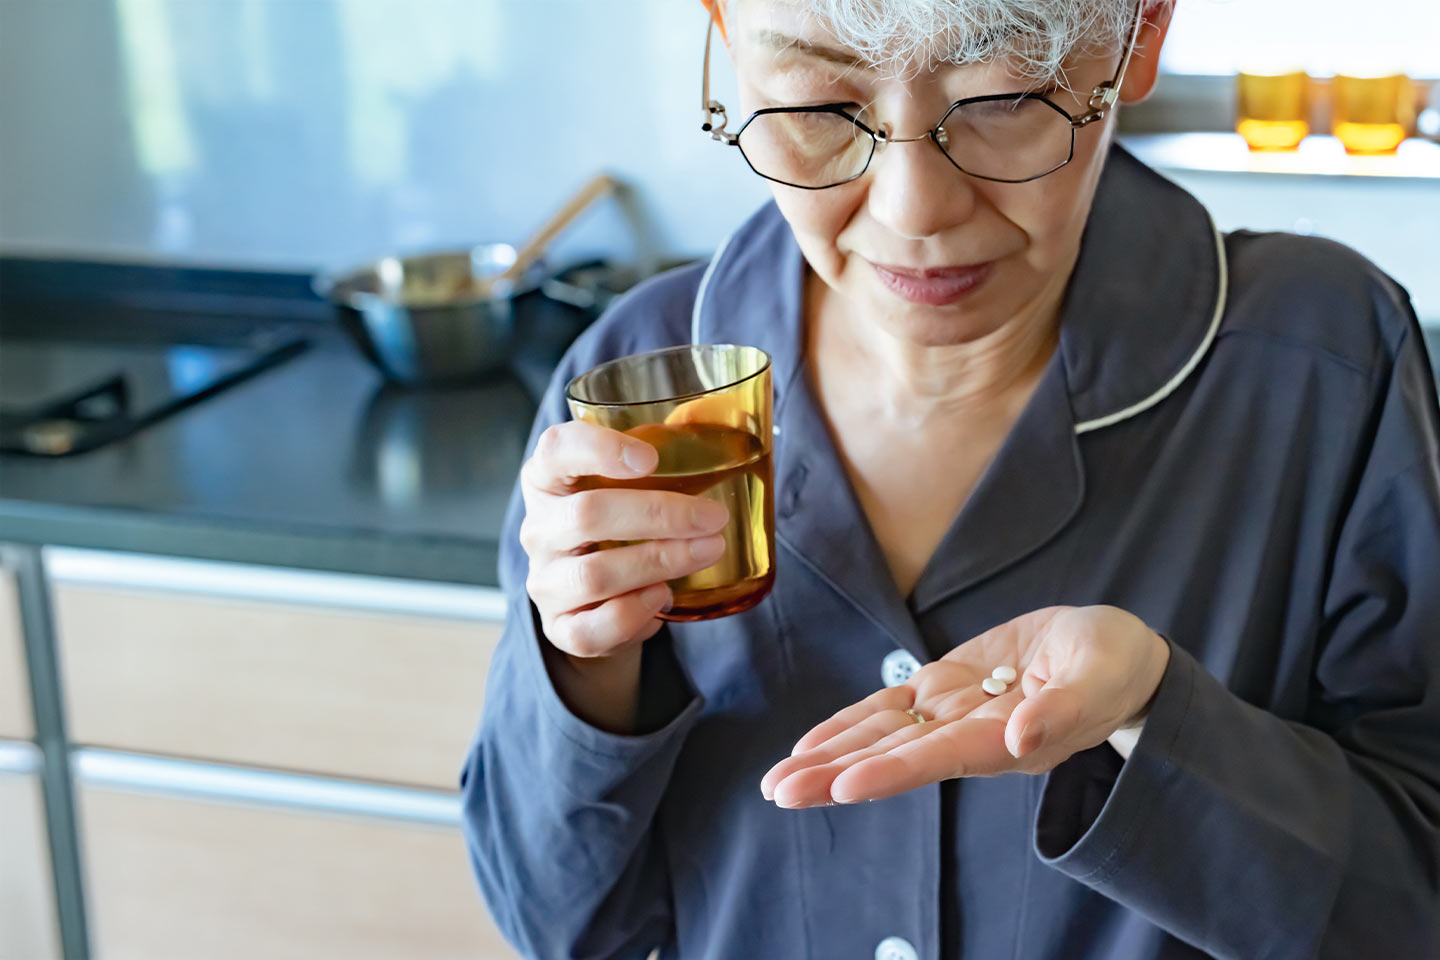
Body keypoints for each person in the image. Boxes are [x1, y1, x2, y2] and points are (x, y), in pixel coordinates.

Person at [460, 0, 1440, 956]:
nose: (913, 209)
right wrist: (587, 672)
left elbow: (1414, 907)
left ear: (1139, 32)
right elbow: (553, 923)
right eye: (816, 107)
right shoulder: (642, 376)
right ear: (728, 41)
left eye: (1005, 95)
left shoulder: (1329, 363)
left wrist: (1156, 717)